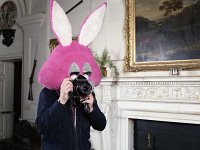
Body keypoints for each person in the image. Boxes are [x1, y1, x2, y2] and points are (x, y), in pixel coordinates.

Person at [36, 77, 106, 150]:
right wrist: (61, 101)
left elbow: (101, 125)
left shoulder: (86, 92)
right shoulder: (48, 93)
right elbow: (41, 127)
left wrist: (91, 109)